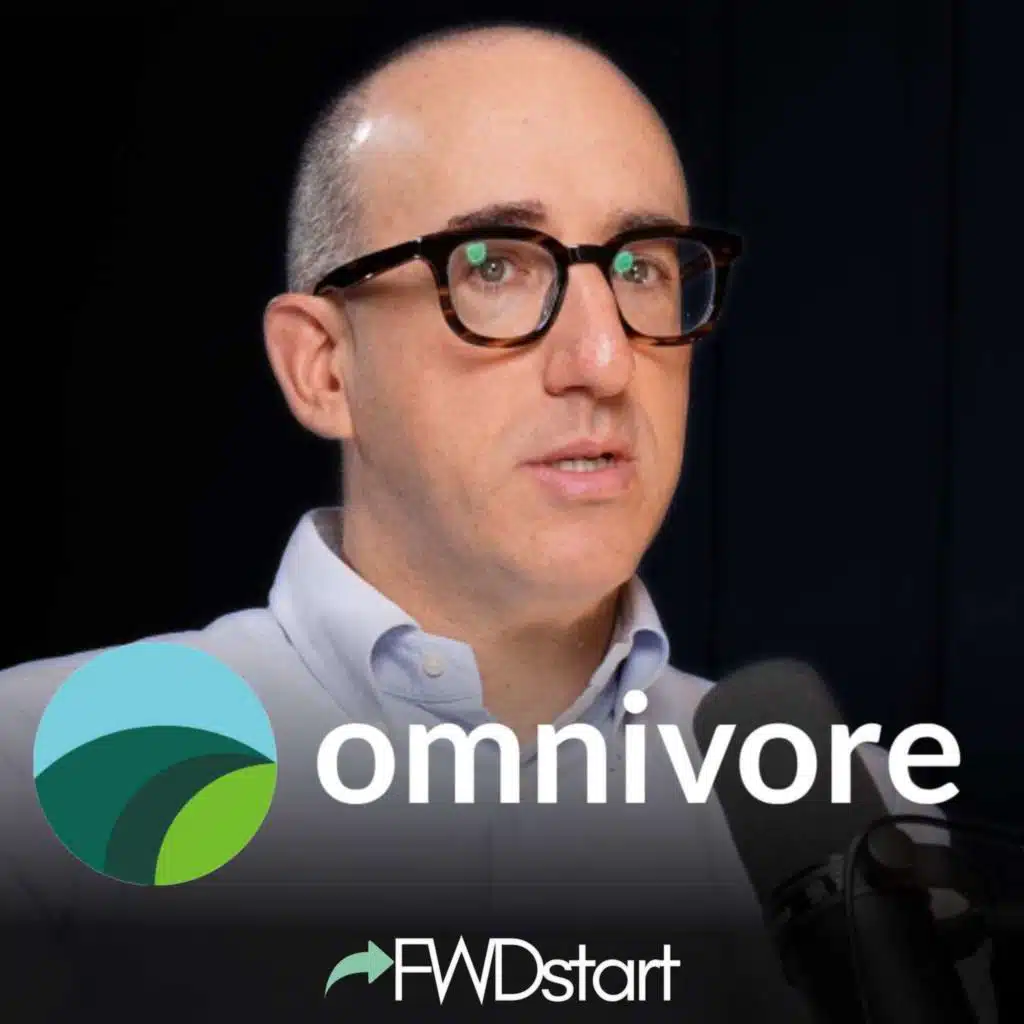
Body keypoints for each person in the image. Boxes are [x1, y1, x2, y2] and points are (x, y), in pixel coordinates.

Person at [0, 22, 949, 1022]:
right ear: (324, 368)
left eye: (640, 270)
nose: (604, 361)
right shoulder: (40, 781)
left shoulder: (847, 822)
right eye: (493, 266)